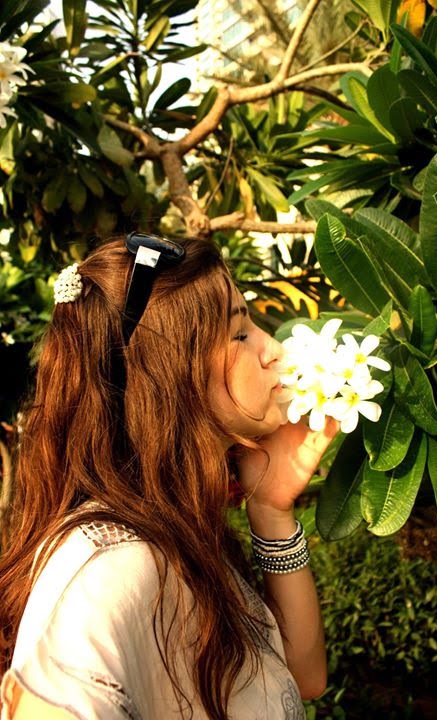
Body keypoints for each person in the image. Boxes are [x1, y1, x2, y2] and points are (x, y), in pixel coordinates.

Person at [0, 233, 338, 720]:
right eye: (239, 334)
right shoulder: (111, 568)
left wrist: (270, 509)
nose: (274, 349)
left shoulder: (175, 523)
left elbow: (304, 678)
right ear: (166, 374)